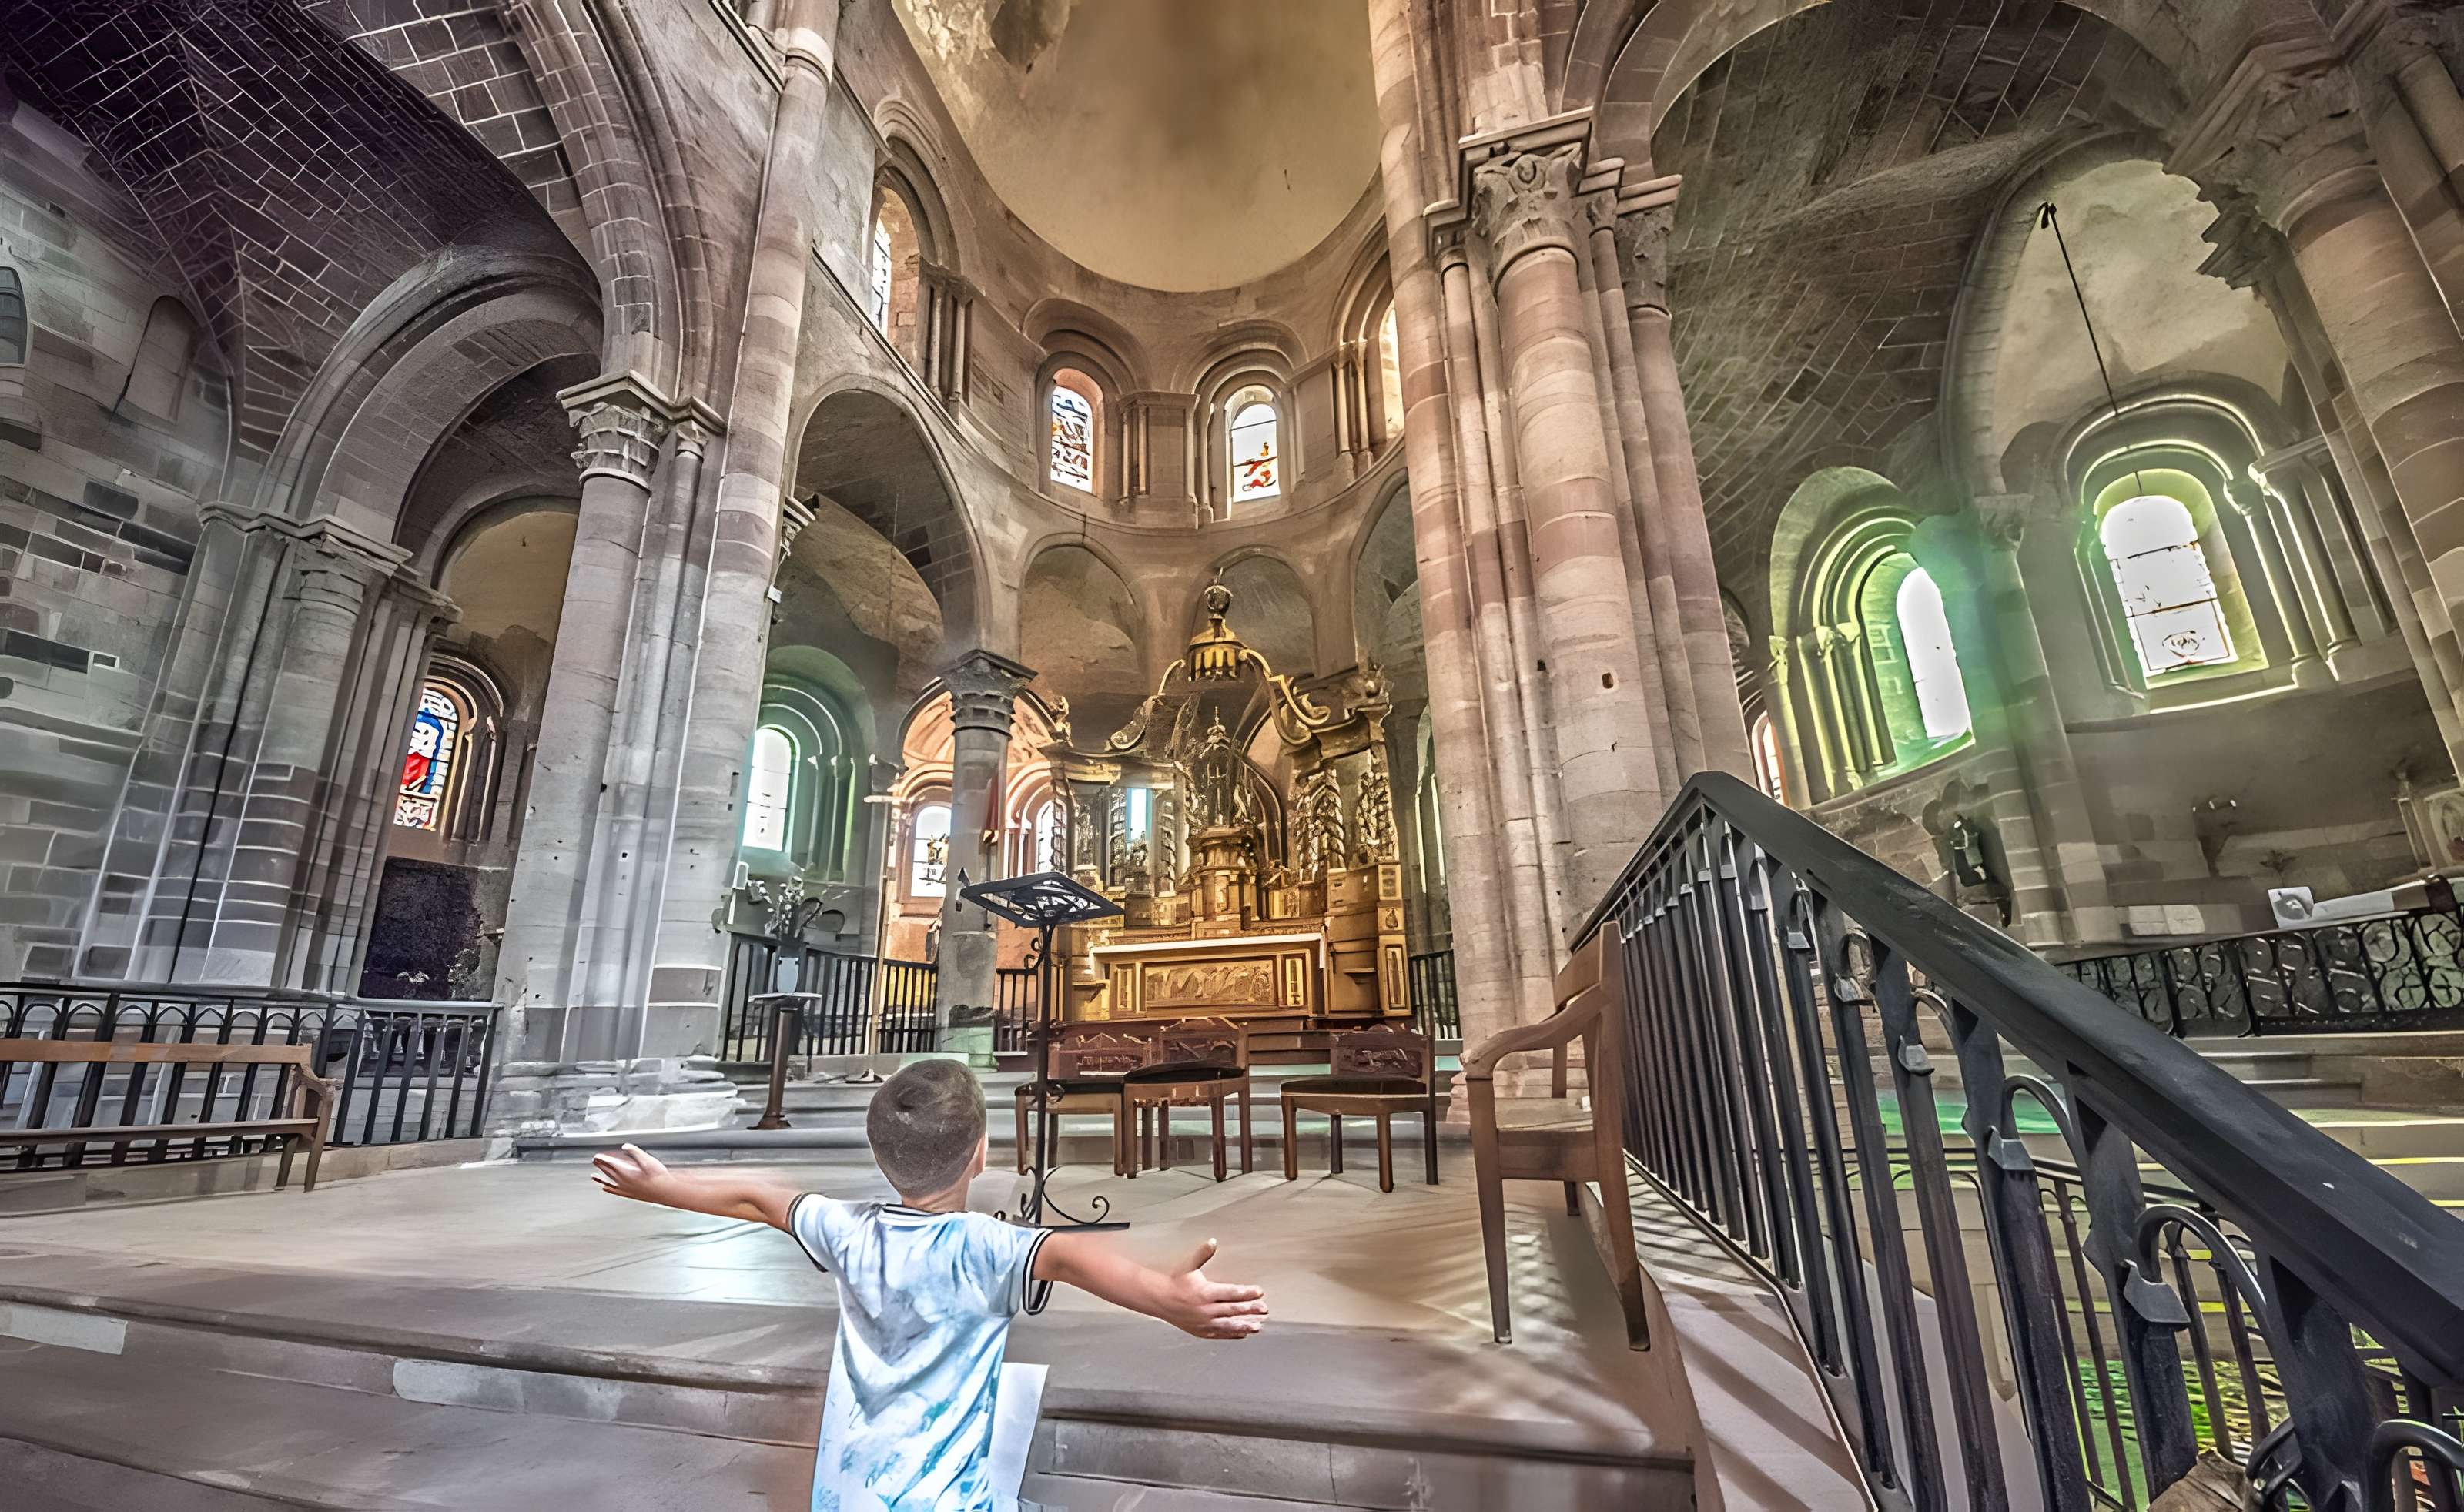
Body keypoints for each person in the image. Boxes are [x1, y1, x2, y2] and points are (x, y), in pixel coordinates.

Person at [589, 1059, 1267, 1510]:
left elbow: (758, 1197)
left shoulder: (846, 1229)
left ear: (879, 1154)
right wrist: (1169, 1300)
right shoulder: (988, 1247)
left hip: (847, 1495)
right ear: (982, 1152)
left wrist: (662, 1188)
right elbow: (1073, 1257)